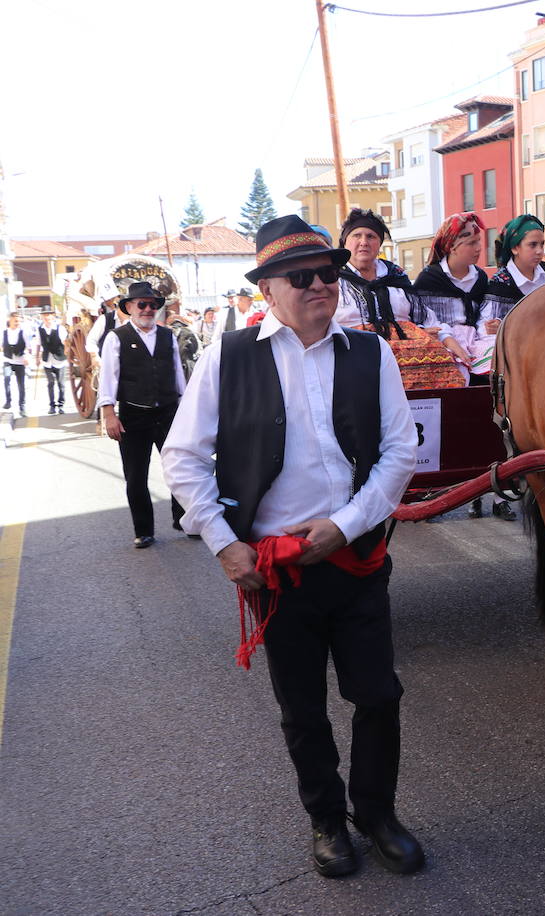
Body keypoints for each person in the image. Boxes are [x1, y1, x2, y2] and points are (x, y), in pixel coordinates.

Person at [162, 215, 423, 878]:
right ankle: (327, 821)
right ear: (268, 291)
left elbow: (400, 452)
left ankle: (378, 814)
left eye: (328, 274)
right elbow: (184, 457)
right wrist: (223, 543)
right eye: (300, 277)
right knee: (303, 709)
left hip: (356, 558)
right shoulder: (231, 354)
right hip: (277, 576)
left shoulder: (370, 353)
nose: (319, 286)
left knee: (378, 695)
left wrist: (347, 523)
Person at [467, 213, 545, 521]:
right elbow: (484, 329)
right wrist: (500, 326)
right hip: (513, 356)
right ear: (515, 248)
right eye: (533, 244)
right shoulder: (501, 282)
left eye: (542, 244)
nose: (540, 251)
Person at [96, 282, 187, 548]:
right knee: (136, 475)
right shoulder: (117, 337)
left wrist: (185, 408)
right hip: (134, 415)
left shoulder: (168, 335)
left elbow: (177, 374)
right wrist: (109, 414)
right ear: (130, 308)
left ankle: (183, 520)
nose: (148, 309)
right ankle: (143, 530)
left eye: (152, 305)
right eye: (142, 304)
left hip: (168, 411)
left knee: (179, 469)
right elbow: (108, 378)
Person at [335, 208, 467, 389]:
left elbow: (426, 317)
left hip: (406, 345)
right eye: (357, 235)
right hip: (354, 345)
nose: (364, 242)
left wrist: (446, 339)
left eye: (371, 236)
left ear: (379, 243)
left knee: (447, 364)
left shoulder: (395, 276)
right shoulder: (332, 279)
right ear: (344, 242)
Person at [412, 210, 485, 386]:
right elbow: (421, 318)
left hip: (476, 340)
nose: (479, 248)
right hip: (443, 341)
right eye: (471, 243)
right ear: (452, 247)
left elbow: (483, 316)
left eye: (479, 241)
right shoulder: (429, 279)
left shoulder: (480, 278)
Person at [36, 311, 68, 414]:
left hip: (59, 359)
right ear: (42, 317)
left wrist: (67, 349)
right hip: (47, 360)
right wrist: (37, 357)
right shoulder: (40, 329)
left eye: (48, 315)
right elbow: (38, 344)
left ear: (52, 316)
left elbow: (65, 342)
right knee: (50, 383)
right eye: (44, 315)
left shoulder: (60, 328)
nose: (46, 317)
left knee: (61, 384)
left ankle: (61, 405)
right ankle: (52, 406)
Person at [3, 312, 29, 416]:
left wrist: (26, 357)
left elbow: (28, 346)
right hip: (8, 360)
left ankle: (22, 407)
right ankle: (8, 401)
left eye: (19, 321)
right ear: (10, 320)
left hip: (20, 361)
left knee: (21, 385)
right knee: (6, 379)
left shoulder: (23, 332)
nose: (17, 323)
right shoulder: (4, 332)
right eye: (15, 321)